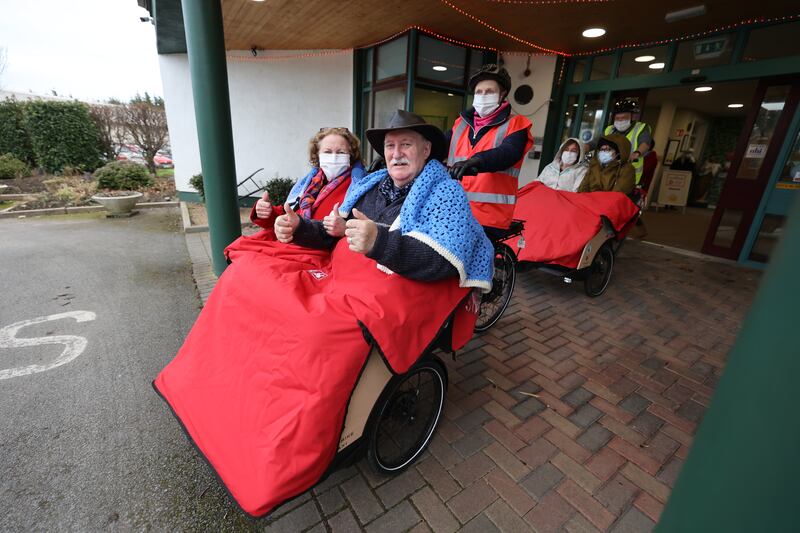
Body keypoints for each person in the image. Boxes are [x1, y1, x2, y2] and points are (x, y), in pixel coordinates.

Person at [273, 109, 493, 288]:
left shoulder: (446, 193)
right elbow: (333, 232)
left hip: (389, 298)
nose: (396, 154)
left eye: (406, 144)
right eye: (390, 146)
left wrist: (378, 242)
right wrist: (299, 227)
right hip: (343, 282)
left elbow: (443, 261)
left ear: (426, 150)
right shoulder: (371, 185)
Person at [446, 64, 533, 240]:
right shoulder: (460, 124)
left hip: (490, 216)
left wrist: (477, 161)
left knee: (468, 262)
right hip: (454, 208)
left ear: (502, 95)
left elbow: (509, 152)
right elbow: (435, 145)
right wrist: (403, 154)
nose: (483, 96)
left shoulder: (516, 124)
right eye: (479, 92)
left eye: (489, 92)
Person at [251, 127, 365, 230]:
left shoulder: (359, 187)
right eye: (327, 152)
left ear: (351, 156)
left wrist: (344, 229)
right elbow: (288, 215)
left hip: (315, 247)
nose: (334, 157)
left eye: (341, 152)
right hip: (292, 240)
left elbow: (358, 229)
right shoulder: (310, 182)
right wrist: (267, 212)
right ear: (317, 155)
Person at [604, 98, 653, 186]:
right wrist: (587, 146)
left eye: (623, 118)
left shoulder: (641, 128)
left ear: (633, 117)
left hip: (629, 175)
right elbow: (599, 141)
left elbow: (645, 143)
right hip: (609, 172)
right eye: (617, 118)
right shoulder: (609, 129)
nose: (620, 121)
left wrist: (637, 153)